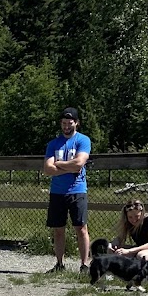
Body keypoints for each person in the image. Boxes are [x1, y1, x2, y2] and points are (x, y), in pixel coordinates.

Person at [43, 106, 91, 273]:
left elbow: (79, 164)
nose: (66, 126)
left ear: (76, 123)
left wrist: (58, 164)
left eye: (69, 123)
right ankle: (59, 264)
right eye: (63, 123)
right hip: (57, 192)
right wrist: (69, 167)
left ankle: (84, 265)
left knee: (81, 228)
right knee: (58, 230)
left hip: (77, 190)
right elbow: (48, 169)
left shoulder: (83, 140)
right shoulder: (53, 144)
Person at [112, 200, 148, 267]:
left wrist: (129, 251)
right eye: (130, 217)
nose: (134, 220)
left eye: (137, 216)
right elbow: (120, 238)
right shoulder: (128, 223)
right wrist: (114, 245)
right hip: (141, 249)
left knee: (142, 256)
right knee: (114, 252)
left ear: (142, 213)